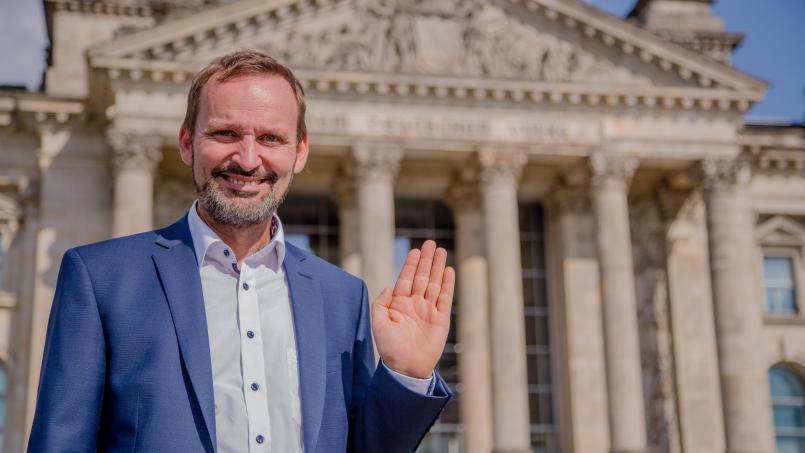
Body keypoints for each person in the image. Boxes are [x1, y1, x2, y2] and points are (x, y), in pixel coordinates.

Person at [28, 50, 455, 453]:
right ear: (186, 142)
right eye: (225, 133)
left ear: (299, 151)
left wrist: (405, 374)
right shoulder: (102, 279)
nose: (248, 159)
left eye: (270, 138)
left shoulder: (343, 297)